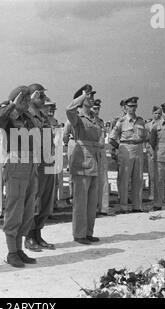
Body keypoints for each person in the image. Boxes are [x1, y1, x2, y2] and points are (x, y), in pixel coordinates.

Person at [0, 85, 40, 268]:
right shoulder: (9, 117)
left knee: (27, 210)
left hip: (30, 165)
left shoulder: (28, 118)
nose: (28, 101)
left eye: (29, 98)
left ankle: (19, 249)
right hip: (15, 165)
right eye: (25, 98)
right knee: (14, 209)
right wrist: (12, 105)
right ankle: (11, 252)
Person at [66, 84, 101, 244]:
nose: (92, 98)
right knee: (80, 202)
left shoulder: (94, 117)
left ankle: (88, 232)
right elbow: (69, 109)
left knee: (91, 201)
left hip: (93, 159)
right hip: (82, 160)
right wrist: (80, 97)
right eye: (89, 96)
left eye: (92, 95)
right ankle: (79, 234)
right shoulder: (77, 116)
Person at [24, 83, 56, 252]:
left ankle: (38, 234)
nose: (44, 99)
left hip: (47, 160)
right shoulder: (26, 115)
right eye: (40, 96)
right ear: (31, 97)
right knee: (34, 199)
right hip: (35, 161)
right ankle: (29, 236)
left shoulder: (43, 117)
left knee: (45, 199)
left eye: (44, 96)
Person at [109, 96, 148, 213]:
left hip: (138, 149)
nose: (132, 108)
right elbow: (111, 138)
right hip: (126, 149)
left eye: (134, 106)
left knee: (138, 178)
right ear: (125, 107)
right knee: (124, 178)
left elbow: (146, 136)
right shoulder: (121, 121)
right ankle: (123, 206)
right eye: (130, 106)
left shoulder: (141, 121)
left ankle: (137, 205)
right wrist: (120, 148)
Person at [91, 99, 112, 216]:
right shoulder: (87, 121)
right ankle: (92, 207)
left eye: (98, 108)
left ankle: (103, 207)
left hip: (101, 151)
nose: (97, 111)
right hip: (91, 150)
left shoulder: (100, 122)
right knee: (92, 180)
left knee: (103, 179)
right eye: (94, 108)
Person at [145, 106, 162, 203]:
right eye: (156, 113)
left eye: (159, 113)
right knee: (151, 174)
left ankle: (160, 195)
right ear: (152, 113)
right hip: (151, 151)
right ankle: (151, 195)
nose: (157, 115)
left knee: (161, 175)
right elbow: (146, 138)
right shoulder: (148, 125)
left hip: (161, 151)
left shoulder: (163, 125)